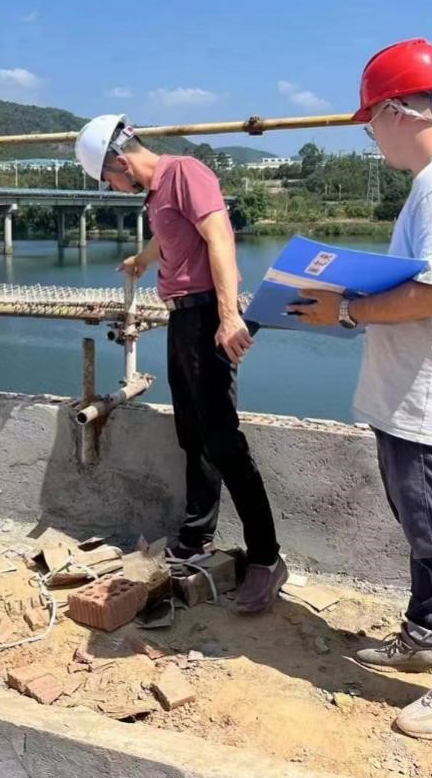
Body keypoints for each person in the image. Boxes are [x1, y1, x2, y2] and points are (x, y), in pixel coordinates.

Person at [290, 39, 432, 739]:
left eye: (369, 123)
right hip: (417, 394)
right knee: (424, 531)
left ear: (394, 111)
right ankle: (425, 634)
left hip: (431, 399)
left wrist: (347, 310)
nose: (372, 136)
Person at [74, 116, 287, 612]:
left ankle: (266, 558)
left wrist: (228, 317)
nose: (114, 188)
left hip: (208, 313)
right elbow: (172, 235)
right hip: (182, 318)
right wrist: (144, 259)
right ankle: (196, 537)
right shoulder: (157, 194)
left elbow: (219, 238)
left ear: (121, 162)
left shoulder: (186, 172)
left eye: (109, 179)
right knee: (193, 435)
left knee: (224, 440)